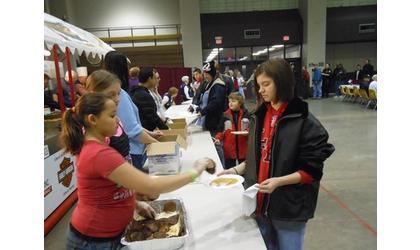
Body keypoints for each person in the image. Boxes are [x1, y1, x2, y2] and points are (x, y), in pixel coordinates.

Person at [61, 92, 214, 249]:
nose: (118, 120)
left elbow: (107, 191)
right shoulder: (98, 154)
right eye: (113, 116)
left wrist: (134, 203)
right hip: (94, 241)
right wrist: (195, 171)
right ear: (93, 120)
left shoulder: (99, 148)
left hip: (106, 236)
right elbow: (150, 186)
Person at [218, 58, 335, 250]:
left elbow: (311, 172)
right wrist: (234, 170)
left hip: (288, 208)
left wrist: (278, 181)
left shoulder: (305, 122)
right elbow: (255, 158)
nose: (261, 90)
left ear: (282, 82)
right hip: (260, 203)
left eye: (266, 84)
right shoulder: (260, 115)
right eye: (259, 85)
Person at [86, 69, 162, 171]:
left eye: (118, 93)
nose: (118, 99)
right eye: (111, 95)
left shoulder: (116, 121)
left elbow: (131, 126)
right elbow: (132, 130)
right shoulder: (96, 138)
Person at [104, 51, 163, 170]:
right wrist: (159, 146)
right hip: (132, 151)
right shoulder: (119, 95)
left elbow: (132, 124)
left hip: (133, 149)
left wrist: (150, 134)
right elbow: (132, 130)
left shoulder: (121, 93)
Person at [214, 92, 250, 169]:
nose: (230, 103)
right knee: (229, 169)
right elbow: (220, 130)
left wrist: (248, 132)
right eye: (229, 101)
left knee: (244, 169)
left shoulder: (247, 114)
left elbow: (251, 127)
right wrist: (218, 138)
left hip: (243, 148)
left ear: (240, 103)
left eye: (233, 101)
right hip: (229, 149)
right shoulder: (225, 115)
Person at [195, 60, 227, 137]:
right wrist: (198, 107)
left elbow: (215, 103)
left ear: (212, 74)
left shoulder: (218, 86)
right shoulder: (208, 84)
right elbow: (203, 98)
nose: (205, 76)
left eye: (207, 74)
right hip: (208, 121)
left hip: (215, 123)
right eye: (204, 74)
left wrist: (202, 112)